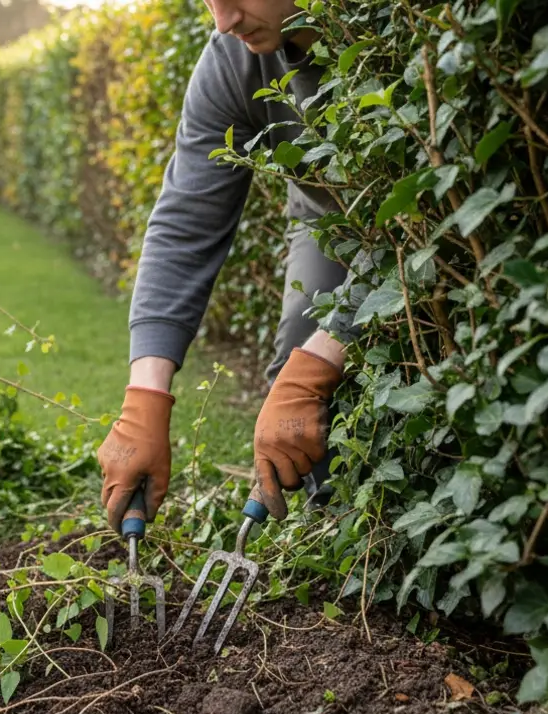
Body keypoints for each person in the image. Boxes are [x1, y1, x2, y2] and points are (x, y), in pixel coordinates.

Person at [96, 0, 356, 531]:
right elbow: (185, 224)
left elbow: (427, 221)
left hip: (422, 218)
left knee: (317, 372)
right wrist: (144, 400)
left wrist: (327, 357)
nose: (224, 20)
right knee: (296, 377)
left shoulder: (393, 32)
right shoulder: (231, 61)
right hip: (329, 217)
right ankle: (342, 533)